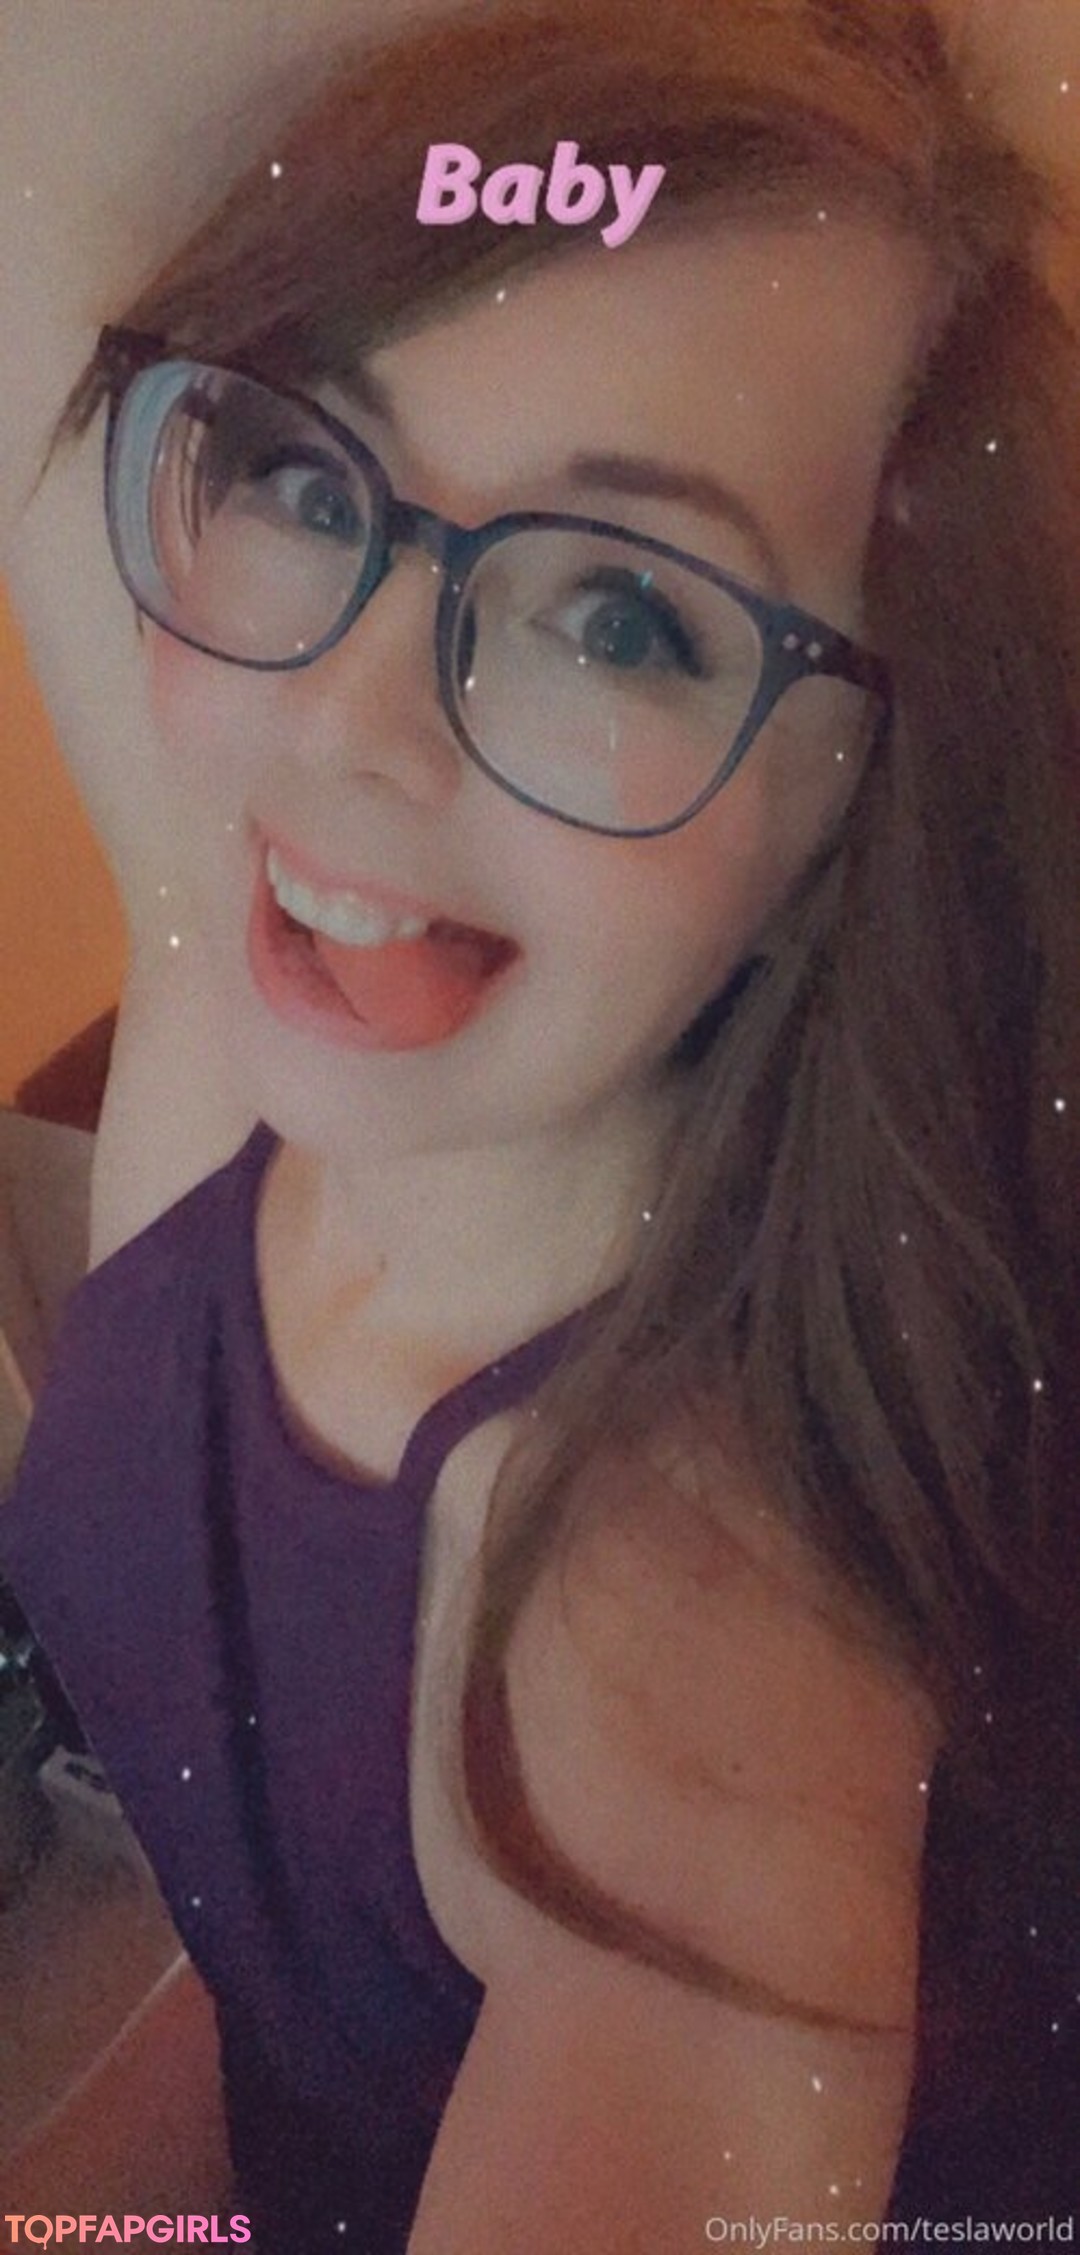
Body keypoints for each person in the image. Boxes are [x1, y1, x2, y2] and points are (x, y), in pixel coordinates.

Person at [2, 0, 1080, 2244]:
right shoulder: (249, 1042)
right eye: (313, 476)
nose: (349, 720)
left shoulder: (692, 1659)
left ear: (870, 793)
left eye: (618, 613)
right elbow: (288, 1961)